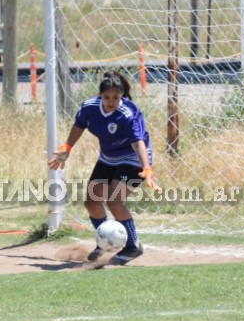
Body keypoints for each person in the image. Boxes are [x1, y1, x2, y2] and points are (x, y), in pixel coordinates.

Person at [48, 71, 160, 265]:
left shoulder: (128, 113)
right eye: (106, 97)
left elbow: (138, 143)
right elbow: (78, 126)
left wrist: (147, 168)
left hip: (134, 160)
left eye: (116, 97)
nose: (111, 101)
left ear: (122, 96)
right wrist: (67, 148)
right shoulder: (89, 107)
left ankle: (133, 246)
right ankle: (105, 242)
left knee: (114, 201)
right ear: (100, 95)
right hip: (108, 158)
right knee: (91, 202)